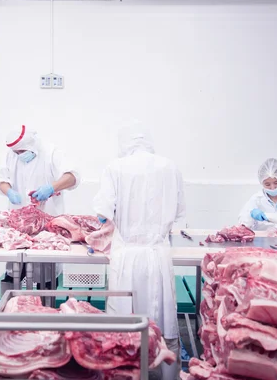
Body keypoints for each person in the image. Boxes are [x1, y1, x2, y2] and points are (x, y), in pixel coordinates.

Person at [93, 121, 185, 380]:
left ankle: (126, 374)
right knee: (165, 324)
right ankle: (168, 376)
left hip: (128, 258)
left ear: (124, 143)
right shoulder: (169, 166)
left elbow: (103, 214)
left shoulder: (115, 167)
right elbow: (179, 212)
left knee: (124, 329)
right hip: (157, 255)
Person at [0, 125, 80, 292]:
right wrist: (9, 192)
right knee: (13, 273)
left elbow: (73, 176)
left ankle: (45, 310)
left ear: (32, 145)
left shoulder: (51, 153)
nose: (19, 155)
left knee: (45, 275)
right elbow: (1, 180)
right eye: (16, 153)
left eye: (21, 152)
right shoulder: (12, 154)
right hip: (18, 226)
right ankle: (12, 309)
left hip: (47, 225)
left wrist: (52, 187)